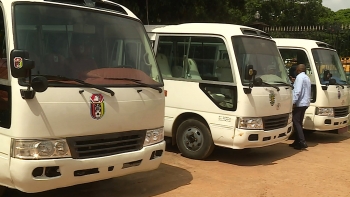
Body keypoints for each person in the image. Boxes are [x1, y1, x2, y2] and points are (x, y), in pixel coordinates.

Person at [289, 64, 311, 150]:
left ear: (298, 69)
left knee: (295, 121)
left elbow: (297, 91)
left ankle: (302, 141)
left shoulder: (299, 78)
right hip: (305, 103)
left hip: (300, 103)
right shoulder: (306, 77)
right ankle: (297, 142)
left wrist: (293, 102)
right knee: (299, 121)